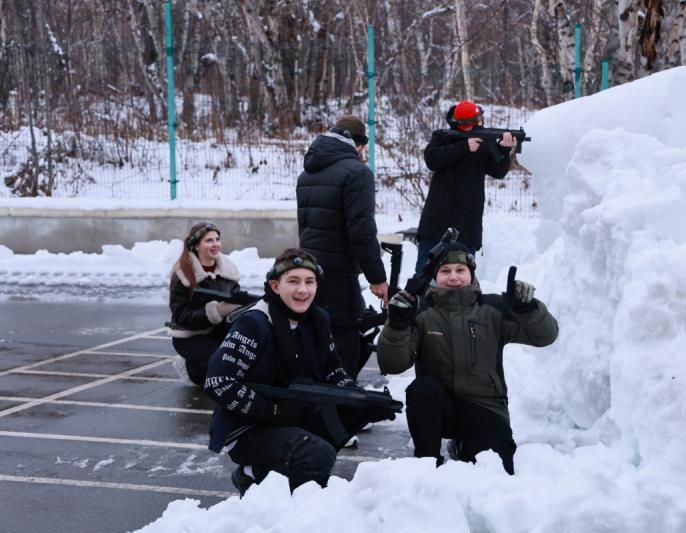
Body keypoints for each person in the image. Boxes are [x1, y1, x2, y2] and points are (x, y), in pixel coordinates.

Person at [204, 248, 396, 496]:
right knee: (316, 454)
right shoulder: (254, 323)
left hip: (293, 414)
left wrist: (362, 400)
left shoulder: (318, 319)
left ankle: (297, 486)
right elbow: (219, 382)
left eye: (309, 282)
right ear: (275, 286)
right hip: (247, 427)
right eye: (293, 281)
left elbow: (333, 369)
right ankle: (253, 476)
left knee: (350, 415)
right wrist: (271, 410)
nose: (302, 290)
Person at [377, 242, 558, 474]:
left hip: (485, 407)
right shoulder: (421, 312)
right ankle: (426, 463)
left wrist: (528, 309)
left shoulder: (493, 308)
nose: (453, 277)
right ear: (435, 276)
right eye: (445, 271)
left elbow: (546, 336)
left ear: (471, 273)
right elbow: (393, 364)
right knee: (421, 390)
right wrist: (397, 324)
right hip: (440, 408)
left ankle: (465, 446)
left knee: (497, 472)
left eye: (460, 270)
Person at [296, 115, 389, 380]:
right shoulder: (357, 172)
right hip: (339, 274)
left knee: (316, 331)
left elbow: (305, 225)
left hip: (312, 270)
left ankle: (314, 396)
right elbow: (362, 230)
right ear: (359, 144)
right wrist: (377, 278)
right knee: (344, 337)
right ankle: (338, 404)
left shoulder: (308, 172)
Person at [415, 100, 517, 273]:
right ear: (461, 124)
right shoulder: (442, 137)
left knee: (464, 278)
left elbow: (497, 171)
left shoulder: (484, 139)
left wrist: (503, 150)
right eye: (472, 122)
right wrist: (464, 147)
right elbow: (432, 160)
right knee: (424, 273)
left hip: (467, 224)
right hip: (436, 221)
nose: (478, 124)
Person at [167, 222, 242, 385]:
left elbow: (237, 300)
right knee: (221, 365)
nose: (215, 244)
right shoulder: (183, 274)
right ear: (196, 246)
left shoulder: (228, 270)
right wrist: (217, 311)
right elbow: (181, 317)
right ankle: (189, 368)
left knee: (241, 359)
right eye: (209, 241)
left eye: (217, 239)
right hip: (189, 336)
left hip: (217, 331)